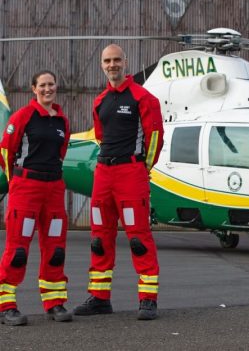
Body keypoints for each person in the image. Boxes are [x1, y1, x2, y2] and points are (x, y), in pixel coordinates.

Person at [73, 44, 164, 320]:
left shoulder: (143, 98)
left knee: (138, 238)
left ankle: (148, 300)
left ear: (125, 63)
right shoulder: (100, 100)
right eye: (107, 61)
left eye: (116, 60)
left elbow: (155, 140)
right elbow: (101, 137)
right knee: (99, 239)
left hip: (130, 174)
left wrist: (140, 168)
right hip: (103, 174)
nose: (112, 65)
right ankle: (100, 298)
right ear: (102, 65)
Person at [0, 70, 72, 326]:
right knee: (18, 249)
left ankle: (54, 302)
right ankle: (6, 306)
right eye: (42, 85)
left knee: (55, 249)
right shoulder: (23, 116)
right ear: (34, 89)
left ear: (56, 87)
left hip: (53, 190)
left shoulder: (62, 120)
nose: (47, 89)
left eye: (51, 84)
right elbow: (5, 150)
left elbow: (61, 153)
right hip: (26, 189)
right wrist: (16, 182)